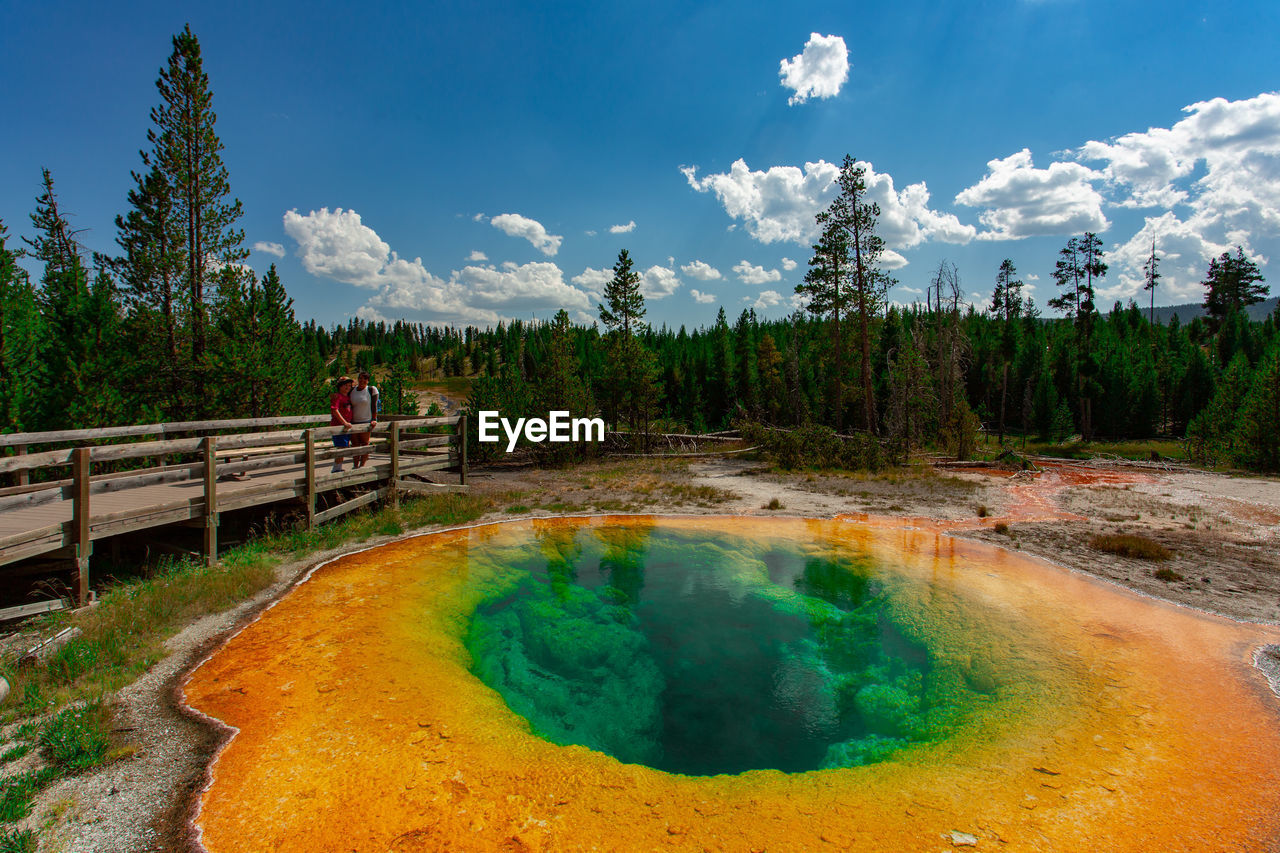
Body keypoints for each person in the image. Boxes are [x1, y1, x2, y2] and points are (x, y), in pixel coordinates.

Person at [348, 371, 380, 469]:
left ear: (368, 380)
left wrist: (374, 419)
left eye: (365, 379)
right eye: (360, 378)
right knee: (355, 445)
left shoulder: (371, 390)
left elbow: (375, 406)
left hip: (366, 420)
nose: (362, 381)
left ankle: (362, 466)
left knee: (365, 444)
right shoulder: (352, 390)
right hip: (353, 421)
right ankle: (355, 465)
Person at [330, 376, 355, 473]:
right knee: (341, 447)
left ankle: (338, 467)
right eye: (345, 385)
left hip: (346, 427)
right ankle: (336, 468)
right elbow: (334, 410)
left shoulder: (347, 397)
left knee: (344, 446)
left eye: (349, 386)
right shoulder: (337, 397)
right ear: (340, 386)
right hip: (339, 426)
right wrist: (344, 422)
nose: (348, 388)